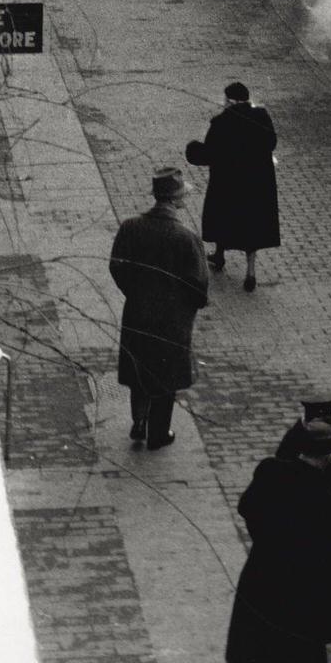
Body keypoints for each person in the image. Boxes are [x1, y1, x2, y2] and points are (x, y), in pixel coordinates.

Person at [225, 417, 331, 663]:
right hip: (300, 588)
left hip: (263, 574)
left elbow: (246, 506)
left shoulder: (271, 470)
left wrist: (265, 539)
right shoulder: (318, 493)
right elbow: (329, 548)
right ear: (326, 456)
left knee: (256, 644)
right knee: (288, 656)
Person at [108, 166, 208, 450]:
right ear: (177, 199)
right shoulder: (186, 237)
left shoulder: (130, 227)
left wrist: (135, 292)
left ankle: (138, 422)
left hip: (138, 312)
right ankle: (158, 433)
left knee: (139, 370)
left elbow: (117, 266)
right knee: (166, 376)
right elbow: (198, 283)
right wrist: (187, 305)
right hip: (172, 319)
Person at [275, 391, 331, 663]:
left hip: (319, 552)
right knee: (308, 611)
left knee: (317, 610)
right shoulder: (295, 449)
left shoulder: (319, 440)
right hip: (309, 554)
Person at [185, 81, 278, 292]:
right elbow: (271, 143)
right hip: (256, 184)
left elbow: (209, 153)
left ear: (229, 100)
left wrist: (193, 149)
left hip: (227, 184)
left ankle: (219, 255)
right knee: (252, 227)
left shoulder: (221, 123)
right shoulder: (262, 117)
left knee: (222, 217)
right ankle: (251, 271)